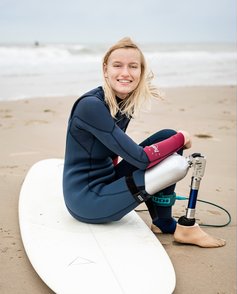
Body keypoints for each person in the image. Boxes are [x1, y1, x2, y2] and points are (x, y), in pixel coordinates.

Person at [62, 37, 224, 248]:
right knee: (174, 160)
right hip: (87, 201)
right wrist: (182, 138)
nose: (125, 73)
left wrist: (173, 140)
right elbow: (142, 159)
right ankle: (182, 229)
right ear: (105, 70)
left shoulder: (122, 101)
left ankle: (162, 222)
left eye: (133, 67)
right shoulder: (91, 106)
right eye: (117, 65)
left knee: (167, 135)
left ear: (141, 71)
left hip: (107, 180)